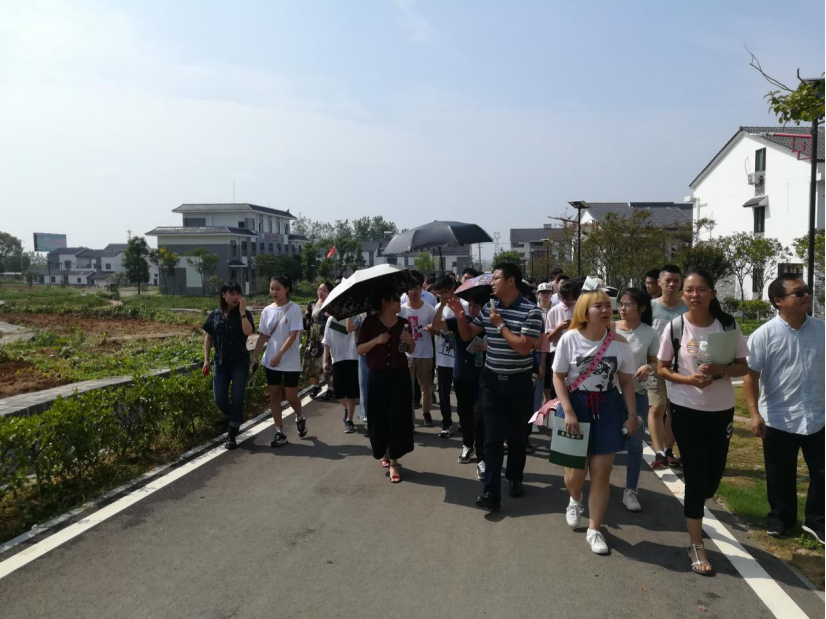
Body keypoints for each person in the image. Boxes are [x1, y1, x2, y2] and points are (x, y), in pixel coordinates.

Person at [656, 269, 749, 574]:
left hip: (721, 410)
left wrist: (722, 370)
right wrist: (688, 380)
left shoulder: (727, 325)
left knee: (712, 478)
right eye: (689, 290)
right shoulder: (675, 327)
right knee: (696, 478)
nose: (694, 294)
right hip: (686, 409)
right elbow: (662, 368)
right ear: (682, 294)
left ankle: (699, 504)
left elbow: (743, 367)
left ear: (712, 293)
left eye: (701, 289)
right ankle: (696, 544)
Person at [553, 290, 639, 555]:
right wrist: (568, 411)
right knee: (575, 474)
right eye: (597, 306)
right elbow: (558, 377)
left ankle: (594, 529)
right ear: (584, 311)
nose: (605, 310)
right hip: (575, 406)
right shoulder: (569, 338)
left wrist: (632, 415)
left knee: (602, 471)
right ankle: (574, 498)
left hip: (608, 408)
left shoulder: (620, 343)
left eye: (607, 306)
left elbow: (626, 382)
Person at [453, 263, 543, 511]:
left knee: (517, 436)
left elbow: (524, 347)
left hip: (519, 382)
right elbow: (468, 334)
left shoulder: (531, 311)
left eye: (495, 278)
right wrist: (460, 317)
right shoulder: (489, 308)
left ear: (511, 280)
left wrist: (500, 325)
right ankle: (491, 492)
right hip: (491, 381)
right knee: (492, 437)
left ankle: (515, 476)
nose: (491, 283)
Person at [744, 275, 824, 544]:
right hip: (779, 417)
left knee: (822, 472)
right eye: (798, 293)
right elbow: (750, 376)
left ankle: (817, 521)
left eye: (806, 291)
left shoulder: (822, 330)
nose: (806, 296)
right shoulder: (764, 335)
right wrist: (754, 413)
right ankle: (781, 518)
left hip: (819, 416)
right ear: (778, 301)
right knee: (780, 473)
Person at [357, 286, 416, 483]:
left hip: (399, 377)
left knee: (397, 418)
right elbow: (360, 349)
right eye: (396, 300)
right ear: (384, 303)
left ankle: (394, 462)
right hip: (378, 378)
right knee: (379, 418)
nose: (400, 303)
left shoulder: (404, 323)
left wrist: (410, 342)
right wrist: (377, 340)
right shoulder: (370, 322)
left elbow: (411, 349)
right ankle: (383, 451)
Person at [614, 287, 659, 512]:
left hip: (637, 395)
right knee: (603, 445)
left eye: (629, 304)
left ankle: (630, 490)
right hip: (608, 396)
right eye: (621, 303)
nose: (623, 308)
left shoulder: (650, 333)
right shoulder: (609, 328)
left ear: (641, 308)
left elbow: (656, 362)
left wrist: (648, 367)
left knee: (634, 446)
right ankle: (598, 485)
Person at [252, 275, 307, 447]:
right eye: (272, 288)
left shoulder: (294, 309)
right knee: (274, 396)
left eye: (278, 288)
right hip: (271, 361)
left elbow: (292, 335)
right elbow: (263, 335)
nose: (274, 292)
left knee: (290, 396)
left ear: (286, 289)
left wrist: (279, 355)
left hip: (290, 360)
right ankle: (279, 432)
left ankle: (300, 416)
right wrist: (255, 355)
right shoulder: (267, 310)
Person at [435, 292, 488, 466]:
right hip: (462, 375)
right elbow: (437, 325)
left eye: (477, 306)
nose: (472, 309)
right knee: (464, 414)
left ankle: (482, 457)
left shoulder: (491, 323)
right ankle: (467, 445)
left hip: (484, 378)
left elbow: (505, 343)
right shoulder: (460, 320)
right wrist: (441, 306)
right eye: (470, 305)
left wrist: (487, 346)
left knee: (479, 418)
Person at [202, 282, 255, 450]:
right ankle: (236, 417)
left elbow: (248, 332)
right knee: (219, 399)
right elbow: (208, 337)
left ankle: (232, 434)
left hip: (239, 362)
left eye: (238, 294)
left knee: (237, 397)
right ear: (223, 295)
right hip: (220, 363)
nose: (236, 297)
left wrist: (242, 313)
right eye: (232, 294)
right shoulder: (214, 315)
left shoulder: (244, 313)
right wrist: (206, 359)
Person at [649, 264, 688, 470]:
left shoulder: (687, 308)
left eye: (676, 280)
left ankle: (668, 449)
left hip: (680, 367)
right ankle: (659, 452)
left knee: (674, 410)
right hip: (655, 365)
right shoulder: (649, 307)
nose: (672, 284)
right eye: (668, 280)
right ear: (659, 282)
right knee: (657, 407)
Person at [400, 274, 437, 426]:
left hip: (425, 353)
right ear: (406, 291)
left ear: (421, 290)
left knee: (425, 387)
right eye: (410, 289)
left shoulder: (429, 309)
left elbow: (437, 329)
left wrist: (432, 329)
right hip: (407, 354)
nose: (413, 291)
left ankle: (426, 412)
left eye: (416, 288)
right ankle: (410, 419)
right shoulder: (401, 310)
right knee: (407, 389)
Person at [541, 279, 581, 402]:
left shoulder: (581, 310)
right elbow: (549, 338)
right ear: (560, 296)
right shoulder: (554, 311)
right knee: (557, 387)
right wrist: (559, 327)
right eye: (566, 299)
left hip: (578, 353)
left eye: (572, 299)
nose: (569, 302)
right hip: (558, 353)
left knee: (577, 385)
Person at [429, 277, 458, 437]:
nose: (441, 295)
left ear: (451, 288)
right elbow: (436, 326)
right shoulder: (438, 306)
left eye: (443, 292)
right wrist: (441, 305)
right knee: (443, 393)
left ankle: (463, 420)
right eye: (438, 293)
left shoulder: (464, 305)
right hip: (443, 358)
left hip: (459, 358)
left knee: (462, 393)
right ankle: (446, 423)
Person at [322, 314, 360, 434]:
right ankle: (348, 408)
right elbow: (327, 341)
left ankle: (349, 420)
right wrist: (325, 360)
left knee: (351, 392)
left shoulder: (356, 318)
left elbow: (357, 333)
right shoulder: (331, 319)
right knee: (338, 392)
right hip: (337, 358)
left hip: (353, 356)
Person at [304, 281, 334, 400]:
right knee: (312, 364)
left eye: (324, 291)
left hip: (327, 339)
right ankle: (315, 387)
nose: (321, 293)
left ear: (329, 292)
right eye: (319, 290)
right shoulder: (312, 304)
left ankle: (330, 388)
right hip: (313, 339)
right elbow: (307, 320)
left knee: (327, 364)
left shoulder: (332, 305)